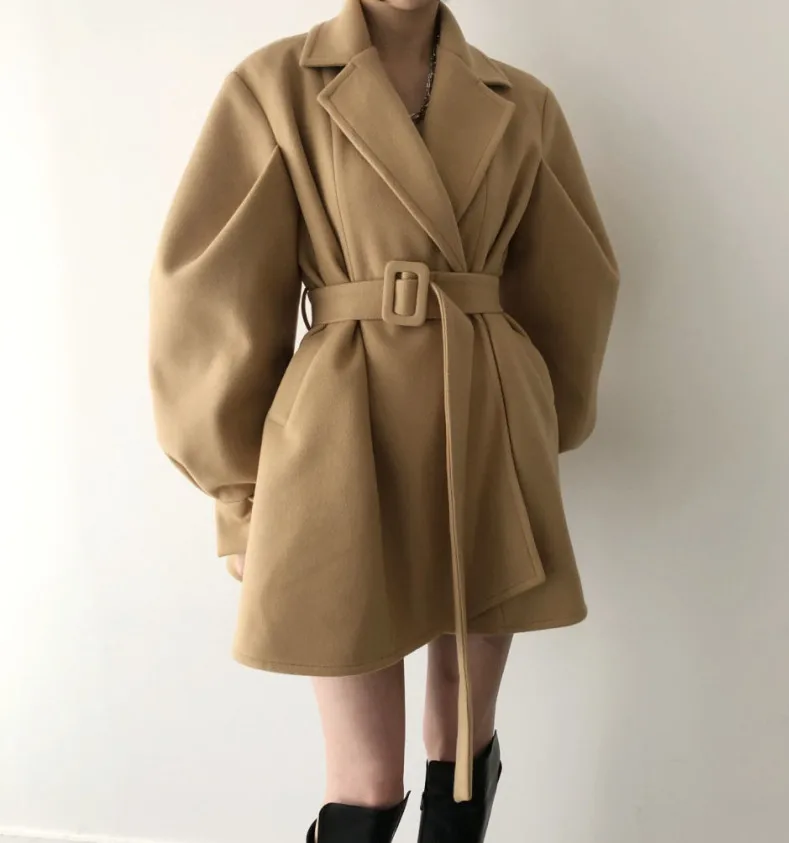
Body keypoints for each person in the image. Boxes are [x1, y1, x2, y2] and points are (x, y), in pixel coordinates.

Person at [147, 0, 619, 840]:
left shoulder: (523, 102)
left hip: (483, 428)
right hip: (340, 437)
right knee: (364, 781)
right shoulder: (273, 86)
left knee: (461, 747)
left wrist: (531, 432)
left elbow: (573, 284)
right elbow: (212, 301)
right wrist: (240, 497)